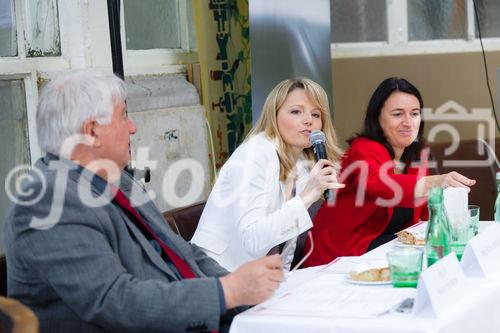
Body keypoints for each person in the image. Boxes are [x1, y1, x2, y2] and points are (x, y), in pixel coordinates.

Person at [4, 70, 284, 333]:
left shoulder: (118, 180)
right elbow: (115, 302)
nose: (133, 127)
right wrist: (229, 291)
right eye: (124, 116)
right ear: (92, 131)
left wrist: (247, 295)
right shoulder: (46, 202)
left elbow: (184, 253)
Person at [303, 77, 476, 266]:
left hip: (383, 251)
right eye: (397, 114)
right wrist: (434, 182)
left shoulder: (416, 156)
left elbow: (426, 217)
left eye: (415, 114)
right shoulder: (362, 150)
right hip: (338, 257)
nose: (408, 123)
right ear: (378, 118)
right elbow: (378, 184)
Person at [192, 78, 344, 271]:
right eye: (296, 111)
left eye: (316, 114)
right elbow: (253, 241)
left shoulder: (303, 165)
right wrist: (307, 196)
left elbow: (283, 245)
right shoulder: (254, 154)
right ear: (274, 115)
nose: (309, 120)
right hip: (218, 275)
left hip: (261, 280)